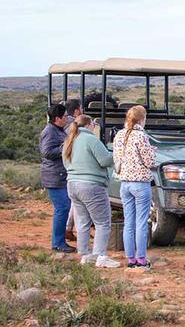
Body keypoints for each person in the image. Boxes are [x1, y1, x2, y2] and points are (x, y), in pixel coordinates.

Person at [62, 115, 119, 268]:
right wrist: (117, 154)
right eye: (94, 123)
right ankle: (100, 256)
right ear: (88, 125)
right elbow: (105, 160)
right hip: (92, 185)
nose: (95, 126)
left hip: (72, 184)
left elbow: (66, 163)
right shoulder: (91, 139)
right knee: (102, 222)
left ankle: (85, 255)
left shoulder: (70, 140)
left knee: (82, 221)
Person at [113, 105, 156, 268]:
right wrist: (153, 151)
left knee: (128, 221)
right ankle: (142, 259)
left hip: (125, 184)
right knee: (141, 222)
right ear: (142, 119)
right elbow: (149, 162)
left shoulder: (120, 135)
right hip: (140, 183)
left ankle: (130, 259)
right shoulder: (141, 136)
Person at [39, 104, 76, 253]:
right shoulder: (49, 132)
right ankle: (58, 243)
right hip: (54, 176)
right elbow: (47, 152)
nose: (67, 119)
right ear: (57, 118)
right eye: (65, 116)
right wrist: (65, 147)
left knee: (63, 208)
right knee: (62, 208)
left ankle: (59, 242)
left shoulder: (57, 130)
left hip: (59, 175)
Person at [64, 99, 83, 241]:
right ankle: (69, 228)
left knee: (73, 201)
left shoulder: (64, 124)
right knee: (75, 202)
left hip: (68, 165)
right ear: (77, 111)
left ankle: (68, 228)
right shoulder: (74, 125)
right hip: (74, 166)